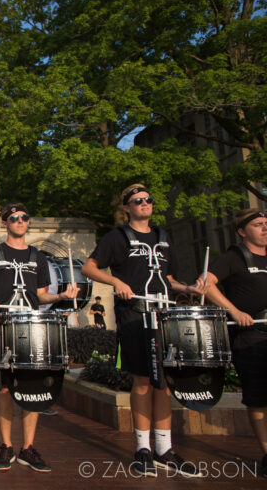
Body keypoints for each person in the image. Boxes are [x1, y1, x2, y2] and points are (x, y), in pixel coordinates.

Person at [81, 184, 204, 477]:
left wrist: (187, 288)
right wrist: (116, 283)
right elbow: (89, 267)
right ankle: (143, 448)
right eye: (137, 201)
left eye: (148, 199)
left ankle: (165, 448)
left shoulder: (163, 237)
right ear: (127, 207)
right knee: (143, 380)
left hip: (163, 314)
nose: (144, 203)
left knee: (163, 381)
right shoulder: (117, 237)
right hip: (135, 315)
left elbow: (168, 278)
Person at [0, 202, 77, 473]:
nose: (20, 221)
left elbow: (40, 295)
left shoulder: (38, 256)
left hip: (33, 329)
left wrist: (60, 297)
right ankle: (6, 445)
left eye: (24, 217)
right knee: (3, 388)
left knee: (32, 388)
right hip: (4, 327)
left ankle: (27, 448)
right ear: (5, 223)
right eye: (14, 218)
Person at [200, 208, 267, 478]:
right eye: (259, 224)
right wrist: (235, 312)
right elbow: (206, 284)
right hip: (251, 336)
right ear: (242, 231)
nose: (265, 228)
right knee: (259, 399)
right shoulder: (234, 257)